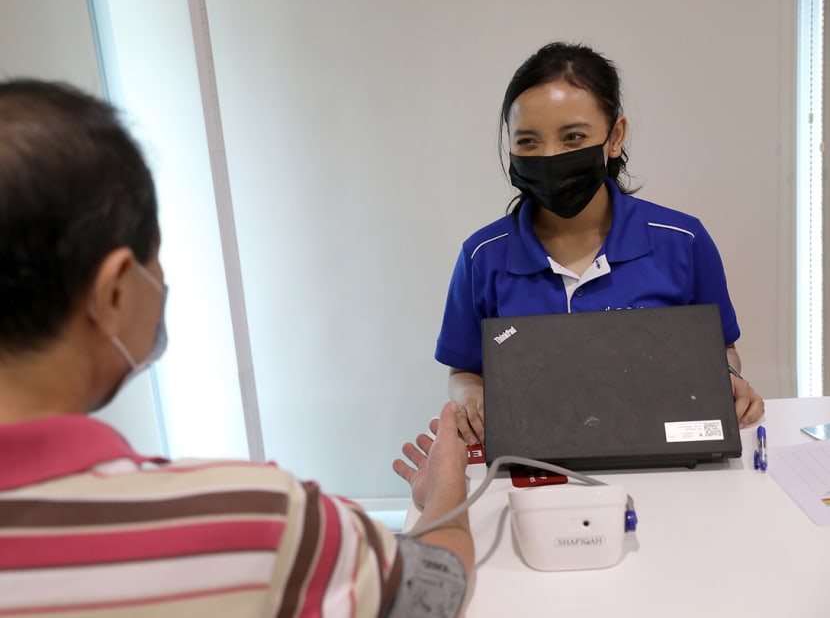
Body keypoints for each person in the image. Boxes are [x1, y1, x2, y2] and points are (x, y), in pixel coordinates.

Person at [0, 79, 472, 617]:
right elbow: (439, 587)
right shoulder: (259, 523)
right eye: (155, 260)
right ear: (113, 292)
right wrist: (446, 489)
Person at [435, 42, 764, 446]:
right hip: (532, 462)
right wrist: (471, 398)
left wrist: (728, 379)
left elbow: (721, 350)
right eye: (528, 142)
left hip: (664, 462)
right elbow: (464, 371)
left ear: (615, 136)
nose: (550, 156)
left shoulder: (684, 241)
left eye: (572, 137)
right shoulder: (481, 256)